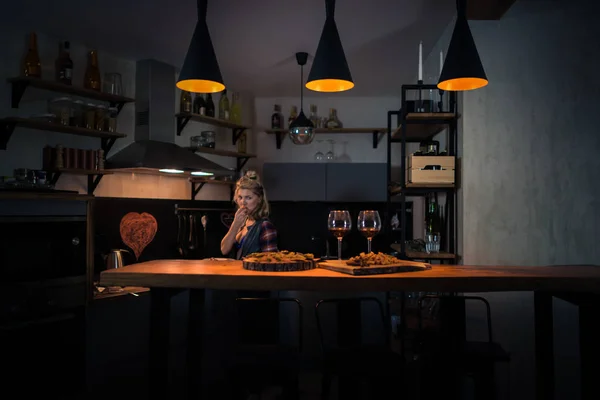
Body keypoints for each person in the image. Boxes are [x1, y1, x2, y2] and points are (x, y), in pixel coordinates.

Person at [221, 171, 278, 259]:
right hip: (235, 272)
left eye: (248, 198)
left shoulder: (265, 226)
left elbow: (270, 262)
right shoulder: (242, 222)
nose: (243, 202)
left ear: (259, 199)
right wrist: (235, 225)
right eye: (240, 197)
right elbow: (224, 250)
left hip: (252, 272)